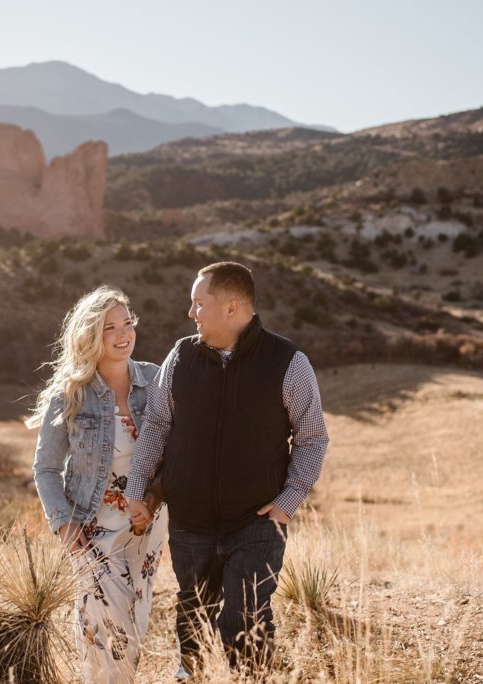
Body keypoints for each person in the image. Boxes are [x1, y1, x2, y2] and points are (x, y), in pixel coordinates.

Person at [126, 261, 329, 678]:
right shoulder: (181, 356)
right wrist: (136, 487)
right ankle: (192, 673)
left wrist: (286, 504)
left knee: (245, 620)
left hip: (255, 522)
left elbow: (312, 439)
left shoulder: (288, 362)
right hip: (190, 523)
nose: (191, 313)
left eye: (199, 303)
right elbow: (158, 425)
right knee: (193, 615)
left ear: (232, 308)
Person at [28, 285, 168, 684]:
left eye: (128, 324)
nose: (123, 334)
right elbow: (46, 469)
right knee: (99, 623)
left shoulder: (156, 381)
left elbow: (175, 453)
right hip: (91, 526)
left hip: (146, 525)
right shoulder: (70, 394)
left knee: (134, 622)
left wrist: (155, 497)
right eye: (110, 328)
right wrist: (64, 525)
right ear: (90, 334)